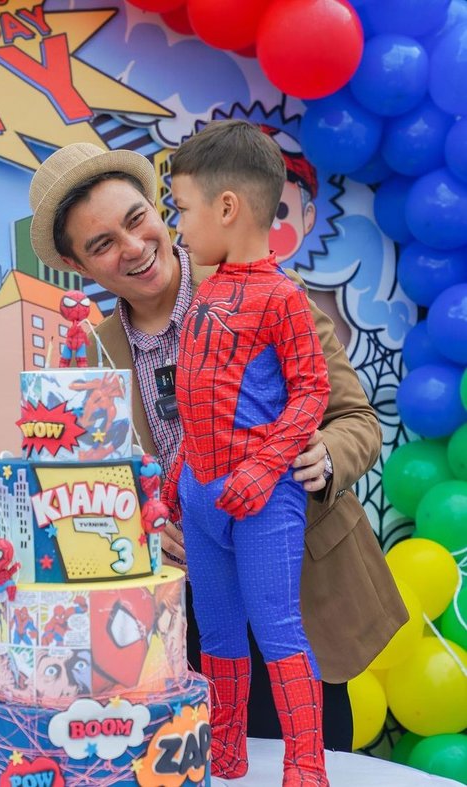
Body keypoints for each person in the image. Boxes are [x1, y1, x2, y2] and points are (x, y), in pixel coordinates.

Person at [28, 140, 408, 754]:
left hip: (297, 578)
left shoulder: (265, 288)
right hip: (180, 618)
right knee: (206, 761)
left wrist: (327, 455)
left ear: (159, 209)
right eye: (102, 244)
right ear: (79, 266)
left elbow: (355, 417)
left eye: (136, 220)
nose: (133, 247)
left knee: (305, 755)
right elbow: (85, 491)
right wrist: (139, 530)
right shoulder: (85, 359)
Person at [158, 120, 333, 781]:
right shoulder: (207, 292)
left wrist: (263, 467)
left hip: (264, 500)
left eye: (181, 208)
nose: (179, 227)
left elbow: (312, 391)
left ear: (226, 208)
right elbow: (195, 404)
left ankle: (306, 765)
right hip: (204, 496)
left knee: (278, 628)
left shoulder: (284, 297)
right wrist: (173, 482)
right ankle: (225, 750)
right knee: (222, 636)